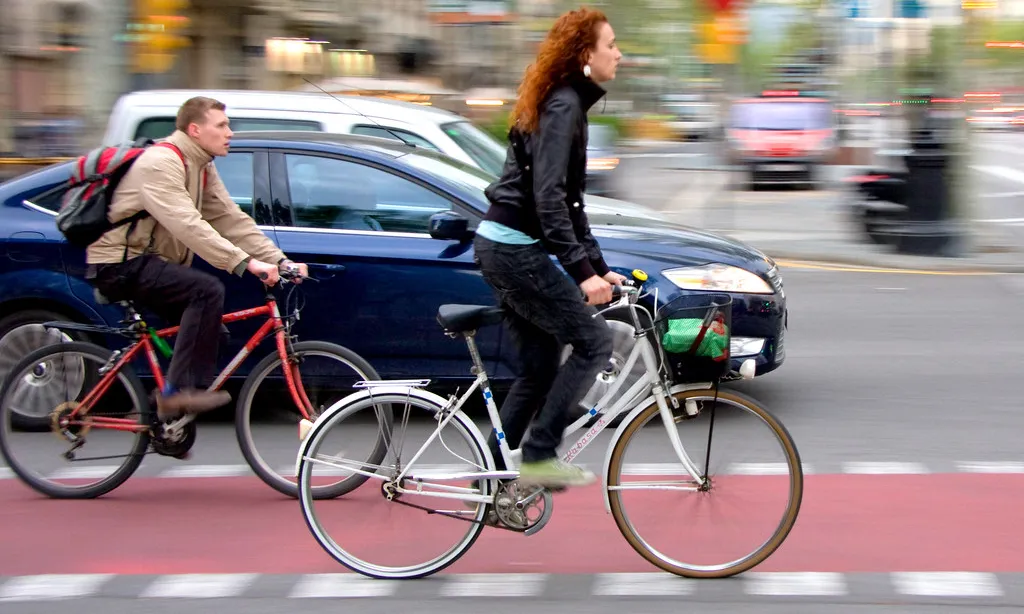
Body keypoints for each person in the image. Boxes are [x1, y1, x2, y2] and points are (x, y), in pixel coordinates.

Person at [474, 6, 625, 488]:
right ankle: (538, 455)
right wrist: (583, 275)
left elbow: (571, 206)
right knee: (595, 342)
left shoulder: (563, 102)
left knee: (539, 369)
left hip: (502, 246)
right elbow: (549, 200)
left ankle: (489, 481)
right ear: (586, 54)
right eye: (611, 45)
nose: (619, 54)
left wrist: (600, 267)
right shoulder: (564, 106)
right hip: (514, 249)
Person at [85, 96, 308, 420]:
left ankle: (171, 424)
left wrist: (279, 261)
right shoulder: (161, 162)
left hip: (150, 262)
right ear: (195, 129)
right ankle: (177, 394)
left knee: (214, 333)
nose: (229, 132)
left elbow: (231, 220)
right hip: (120, 262)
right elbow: (187, 224)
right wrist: (246, 263)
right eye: (221, 125)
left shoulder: (201, 166)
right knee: (205, 291)